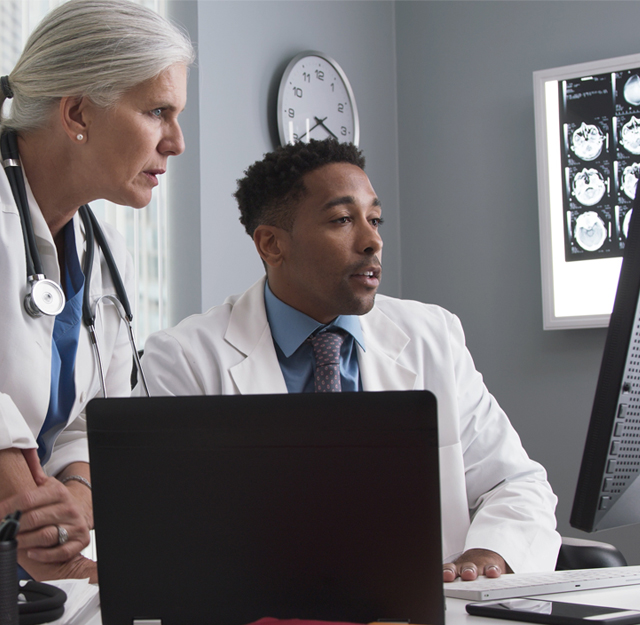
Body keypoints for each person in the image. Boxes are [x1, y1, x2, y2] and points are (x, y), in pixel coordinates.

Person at [140, 139, 561, 581]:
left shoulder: (432, 335)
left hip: (418, 616)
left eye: (374, 219)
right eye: (343, 220)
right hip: (265, 615)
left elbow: (514, 482)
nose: (372, 240)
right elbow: (165, 527)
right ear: (271, 244)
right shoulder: (185, 358)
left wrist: (487, 556)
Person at [0, 0, 194, 583]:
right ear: (78, 111)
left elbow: (90, 418)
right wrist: (27, 510)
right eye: (159, 111)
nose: (176, 142)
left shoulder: (105, 255)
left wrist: (76, 506)